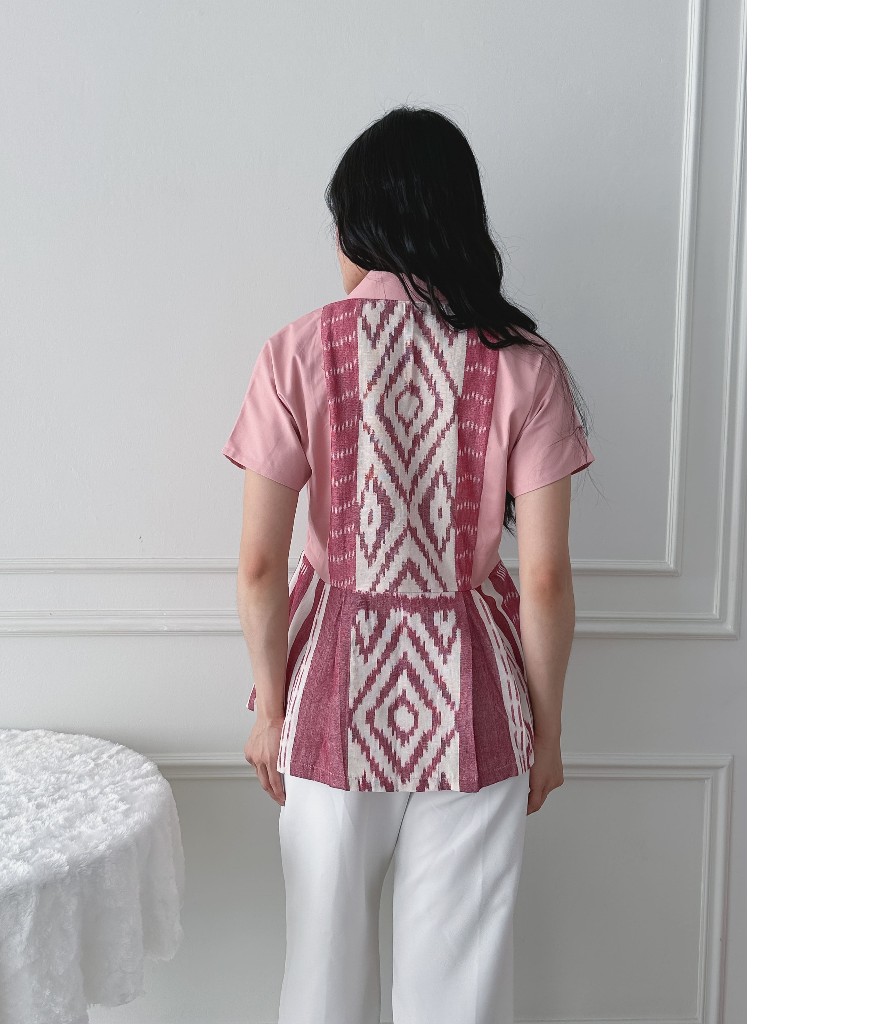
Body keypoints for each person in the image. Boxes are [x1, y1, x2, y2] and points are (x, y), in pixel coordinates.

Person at [222, 106, 594, 1024]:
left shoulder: (296, 350)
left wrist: (269, 713)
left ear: (362, 227)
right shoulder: (526, 365)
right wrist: (547, 731)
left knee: (321, 975)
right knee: (459, 990)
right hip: (476, 696)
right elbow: (545, 580)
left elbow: (260, 566)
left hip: (326, 696)